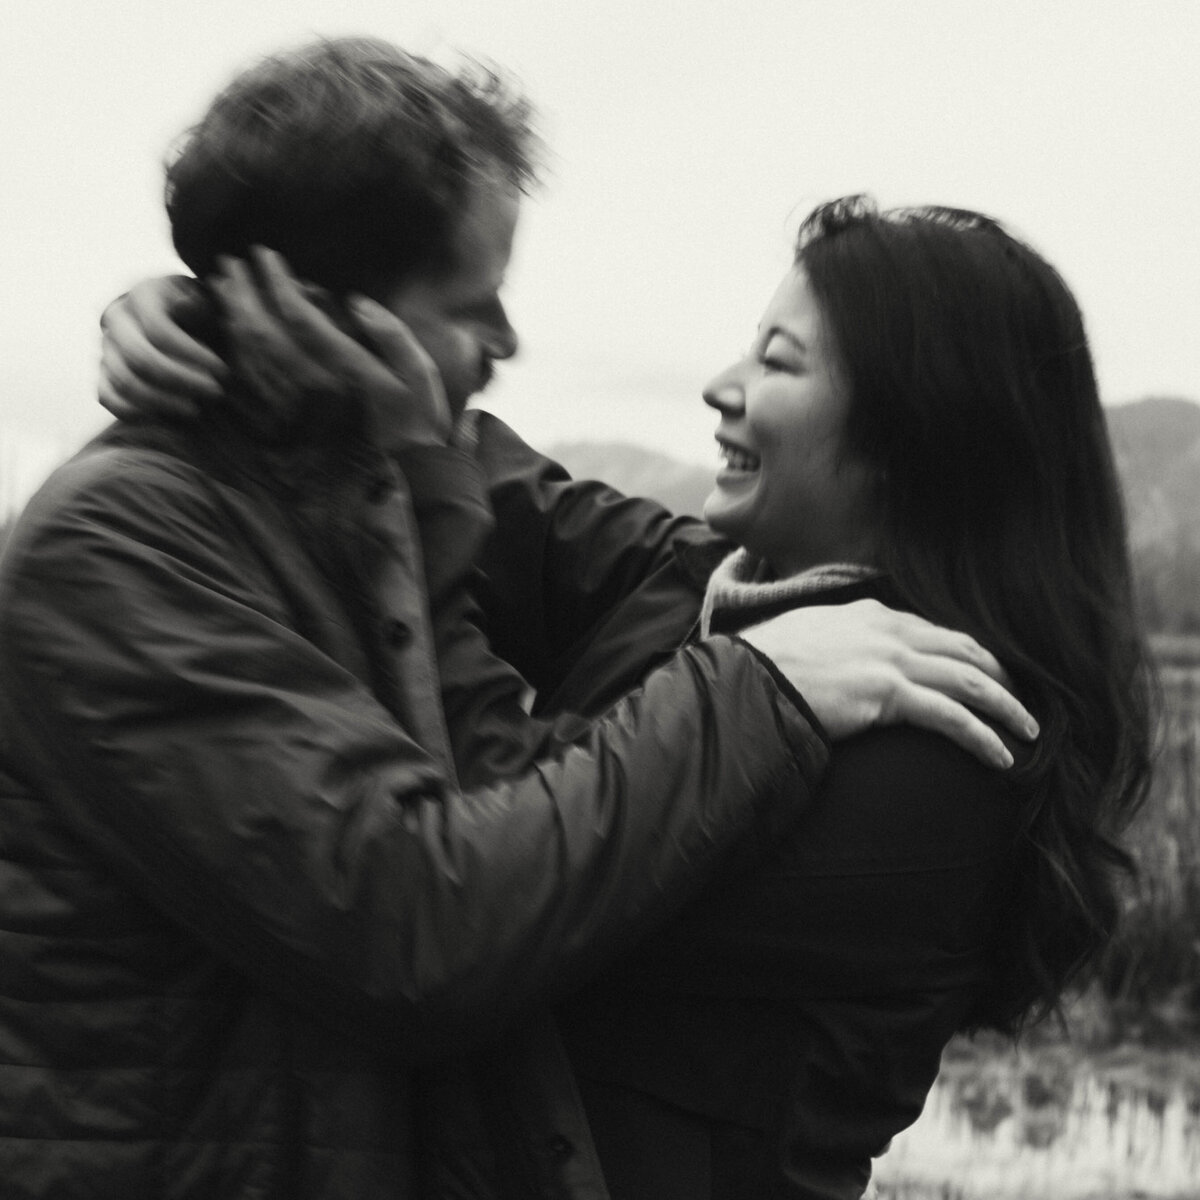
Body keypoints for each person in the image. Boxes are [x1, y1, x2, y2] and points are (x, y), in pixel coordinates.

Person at [0, 40, 1034, 1200]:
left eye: (780, 360)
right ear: (340, 322)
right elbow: (423, 920)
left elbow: (504, 532)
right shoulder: (123, 542)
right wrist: (756, 689)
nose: (508, 343)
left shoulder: (922, 739)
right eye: (473, 304)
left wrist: (239, 328)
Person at [125, 196, 1152, 1200]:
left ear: (911, 440)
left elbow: (502, 851)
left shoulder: (934, 760)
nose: (721, 385)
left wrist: (405, 476)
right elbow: (496, 494)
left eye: (778, 363)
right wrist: (229, 334)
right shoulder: (712, 584)